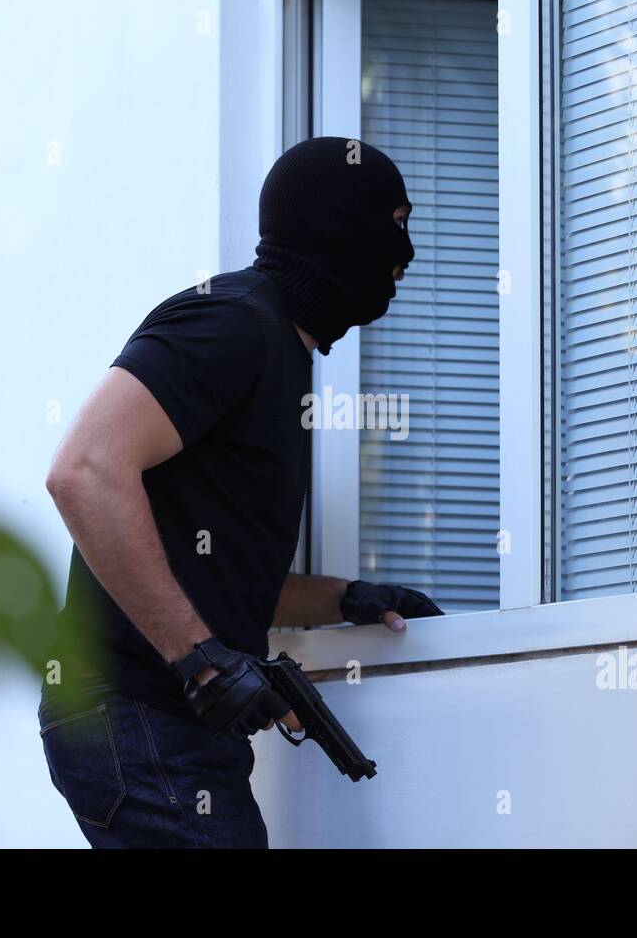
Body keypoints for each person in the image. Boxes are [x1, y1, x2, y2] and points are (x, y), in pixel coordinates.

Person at [38, 137, 443, 848]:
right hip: (134, 711)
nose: (406, 254)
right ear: (339, 226)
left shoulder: (279, 351)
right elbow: (85, 471)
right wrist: (200, 660)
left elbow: (207, 566)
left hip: (160, 720)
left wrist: (347, 598)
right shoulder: (229, 323)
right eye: (397, 222)